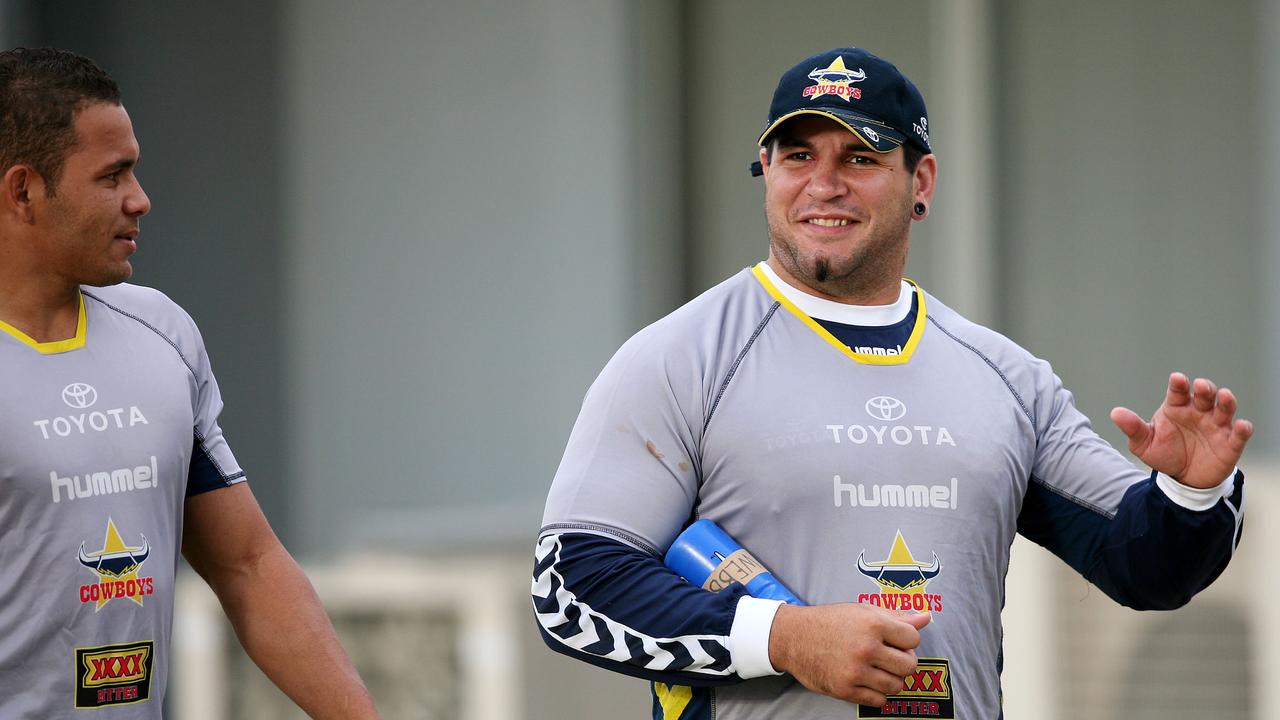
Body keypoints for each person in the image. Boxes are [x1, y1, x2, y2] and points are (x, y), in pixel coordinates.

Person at [533, 47, 1252, 720]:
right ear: (767, 169)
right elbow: (570, 584)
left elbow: (1147, 570)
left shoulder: (1004, 377)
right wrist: (786, 638)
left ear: (922, 182)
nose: (824, 183)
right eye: (798, 155)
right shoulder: (679, 357)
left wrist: (1189, 493)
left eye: (861, 156)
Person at [0, 47, 380, 718]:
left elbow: (249, 566)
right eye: (112, 176)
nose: (140, 200)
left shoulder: (161, 333)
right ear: (23, 191)